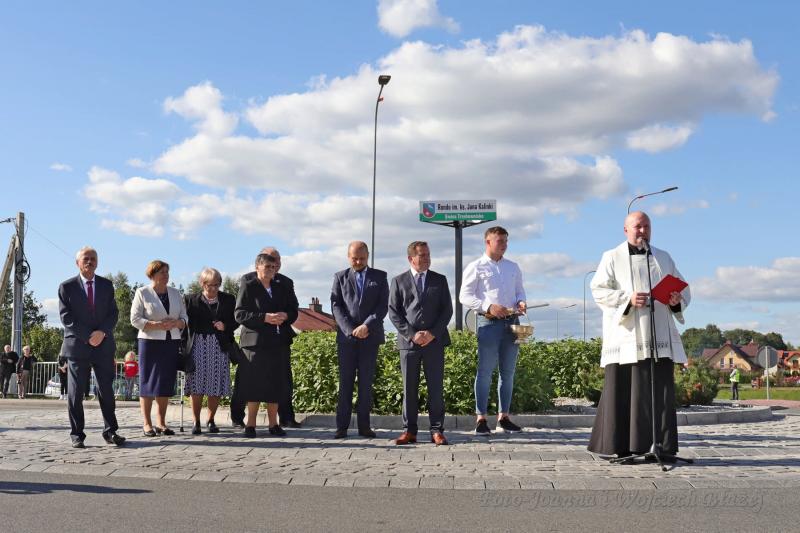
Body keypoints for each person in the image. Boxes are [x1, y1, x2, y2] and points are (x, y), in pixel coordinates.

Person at [587, 211, 691, 461]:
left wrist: (676, 300)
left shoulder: (663, 257)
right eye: (638, 227)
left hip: (658, 335)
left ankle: (661, 447)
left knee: (659, 392)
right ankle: (622, 447)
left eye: (647, 226)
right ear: (626, 230)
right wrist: (628, 299)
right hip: (627, 337)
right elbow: (598, 290)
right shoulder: (611, 257)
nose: (643, 231)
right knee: (624, 390)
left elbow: (683, 289)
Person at [459, 226, 527, 435]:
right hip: (488, 323)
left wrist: (521, 302)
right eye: (500, 241)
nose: (504, 245)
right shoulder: (476, 266)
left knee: (508, 372)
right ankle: (481, 419)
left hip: (512, 322)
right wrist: (488, 307)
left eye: (506, 241)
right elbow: (464, 296)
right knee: (485, 372)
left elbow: (520, 291)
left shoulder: (513, 267)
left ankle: (503, 417)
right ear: (488, 242)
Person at [58, 246, 125, 448]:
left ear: (97, 262)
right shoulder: (66, 287)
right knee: (76, 393)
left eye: (93, 258)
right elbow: (66, 318)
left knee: (106, 390)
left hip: (103, 346)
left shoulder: (107, 285)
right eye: (85, 258)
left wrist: (102, 332)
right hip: (77, 346)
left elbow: (113, 313)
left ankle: (111, 432)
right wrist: (88, 336)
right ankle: (77, 434)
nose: (90, 261)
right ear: (77, 262)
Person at [388, 241, 453, 446]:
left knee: (436, 388)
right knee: (409, 389)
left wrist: (432, 333)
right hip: (409, 344)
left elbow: (447, 311)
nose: (427, 258)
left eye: (428, 255)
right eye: (422, 255)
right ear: (411, 258)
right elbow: (394, 312)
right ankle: (409, 431)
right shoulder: (398, 281)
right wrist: (412, 334)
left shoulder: (440, 280)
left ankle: (437, 430)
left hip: (434, 343)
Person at [231, 247, 300, 429]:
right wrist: (265, 318)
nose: (273, 266)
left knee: (279, 382)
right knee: (249, 382)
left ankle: (280, 421)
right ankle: (243, 420)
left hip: (278, 341)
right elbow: (240, 313)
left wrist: (286, 315)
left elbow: (293, 309)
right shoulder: (248, 281)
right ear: (258, 265)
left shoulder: (283, 283)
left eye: (275, 262)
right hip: (254, 342)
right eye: (269, 263)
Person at [330, 241, 389, 439]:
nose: (358, 262)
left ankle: (365, 426)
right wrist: (351, 329)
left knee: (365, 384)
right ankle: (341, 427)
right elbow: (336, 306)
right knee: (345, 383)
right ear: (348, 257)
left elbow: (382, 306)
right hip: (347, 339)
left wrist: (366, 326)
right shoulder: (340, 277)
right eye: (354, 258)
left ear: (368, 256)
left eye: (362, 258)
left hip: (370, 337)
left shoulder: (380, 276)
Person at [130, 260, 188, 437]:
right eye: (162, 272)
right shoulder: (142, 292)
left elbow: (185, 318)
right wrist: (156, 325)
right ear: (152, 274)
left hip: (171, 342)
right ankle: (147, 424)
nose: (166, 275)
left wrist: (177, 323)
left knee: (165, 382)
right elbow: (135, 319)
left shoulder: (176, 293)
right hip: (149, 343)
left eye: (167, 272)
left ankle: (161, 423)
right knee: (147, 382)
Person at [184, 267, 237, 435]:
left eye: (216, 285)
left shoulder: (228, 299)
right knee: (196, 385)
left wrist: (225, 326)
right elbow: (184, 322)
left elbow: (237, 320)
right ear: (202, 283)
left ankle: (211, 419)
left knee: (215, 385)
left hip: (218, 346)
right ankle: (196, 421)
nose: (213, 288)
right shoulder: (190, 299)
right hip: (197, 345)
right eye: (209, 285)